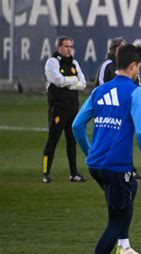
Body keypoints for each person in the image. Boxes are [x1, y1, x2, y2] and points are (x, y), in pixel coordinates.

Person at [72, 44, 141, 254]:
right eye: (139, 66)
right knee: (116, 220)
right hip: (116, 166)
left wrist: (91, 153)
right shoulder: (137, 92)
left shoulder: (99, 91)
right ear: (133, 66)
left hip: (96, 165)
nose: (138, 70)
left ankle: (124, 245)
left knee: (130, 191)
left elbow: (77, 127)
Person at [94, 37, 141, 179]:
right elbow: (100, 88)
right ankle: (104, 164)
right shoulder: (107, 65)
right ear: (113, 49)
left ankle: (129, 168)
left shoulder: (129, 66)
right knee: (109, 138)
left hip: (125, 108)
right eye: (120, 47)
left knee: (126, 137)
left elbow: (137, 85)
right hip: (110, 109)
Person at [42, 35, 87, 183]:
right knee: (52, 140)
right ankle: (45, 173)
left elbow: (83, 84)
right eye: (66, 46)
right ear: (59, 47)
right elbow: (58, 81)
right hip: (58, 109)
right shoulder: (52, 62)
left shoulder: (74, 63)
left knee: (72, 141)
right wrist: (73, 80)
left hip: (73, 108)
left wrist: (69, 81)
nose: (69, 49)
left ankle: (73, 174)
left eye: (70, 46)